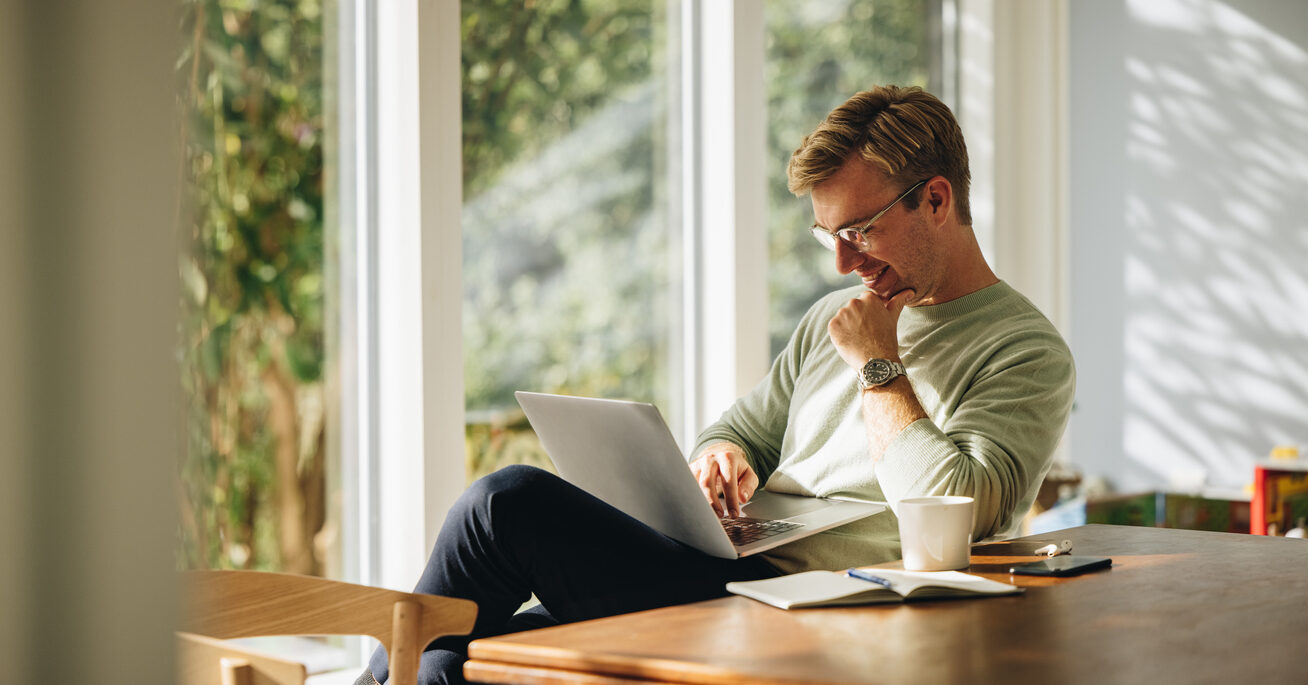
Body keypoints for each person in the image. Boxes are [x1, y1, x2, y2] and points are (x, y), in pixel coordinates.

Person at [357, 85, 1075, 685]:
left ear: (937, 199)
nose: (841, 264)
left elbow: (964, 510)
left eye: (859, 230)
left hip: (816, 607)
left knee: (504, 501)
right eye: (830, 237)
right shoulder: (833, 317)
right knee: (449, 663)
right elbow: (740, 430)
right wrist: (720, 457)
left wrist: (878, 365)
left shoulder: (1026, 351)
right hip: (720, 568)